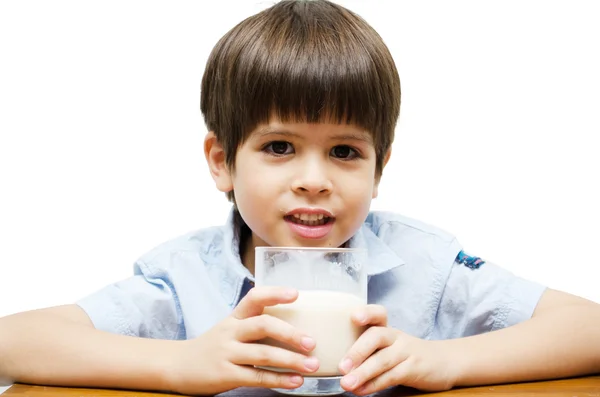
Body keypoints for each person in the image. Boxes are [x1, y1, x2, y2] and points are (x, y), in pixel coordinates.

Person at [1, 1, 599, 396]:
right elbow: (11, 342)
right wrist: (178, 366)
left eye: (345, 152)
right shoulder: (184, 281)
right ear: (221, 162)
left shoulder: (425, 268)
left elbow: (588, 328)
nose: (315, 179)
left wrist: (446, 362)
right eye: (280, 146)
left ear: (378, 168)